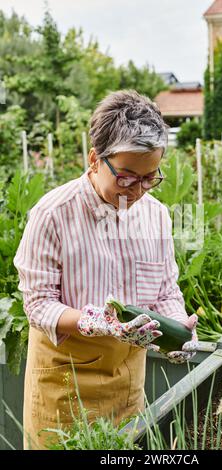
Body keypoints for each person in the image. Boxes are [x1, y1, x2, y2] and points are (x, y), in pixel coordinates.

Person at [13, 89, 202, 450]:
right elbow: (37, 305)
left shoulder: (156, 215)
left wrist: (180, 329)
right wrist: (96, 321)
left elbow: (165, 290)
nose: (138, 191)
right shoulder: (53, 214)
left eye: (150, 178)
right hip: (64, 382)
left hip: (126, 381)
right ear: (95, 159)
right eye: (127, 177)